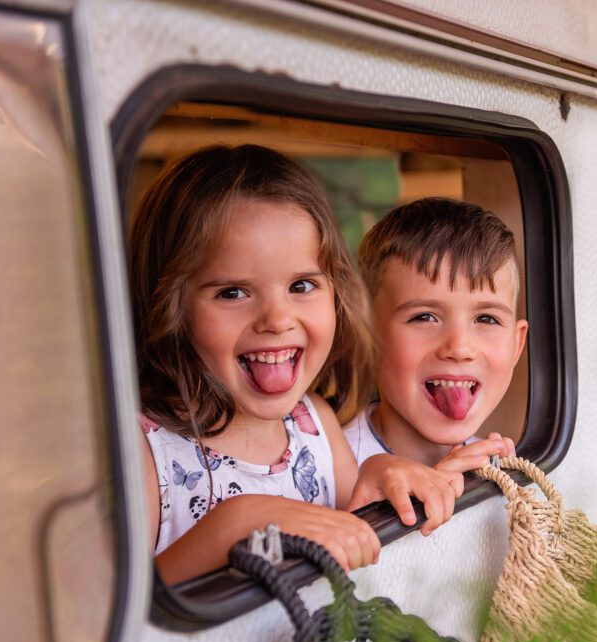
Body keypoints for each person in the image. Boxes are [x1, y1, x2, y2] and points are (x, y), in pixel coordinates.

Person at [130, 145, 461, 585]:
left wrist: (381, 472)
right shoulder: (144, 451)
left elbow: (354, 533)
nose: (278, 319)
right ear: (167, 305)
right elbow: (122, 615)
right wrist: (235, 524)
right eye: (232, 292)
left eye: (302, 285)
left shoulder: (315, 426)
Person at [344, 197, 529, 474]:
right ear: (367, 336)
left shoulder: (496, 467)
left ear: (517, 345)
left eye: (486, 318)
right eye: (424, 317)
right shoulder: (330, 469)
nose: (459, 346)